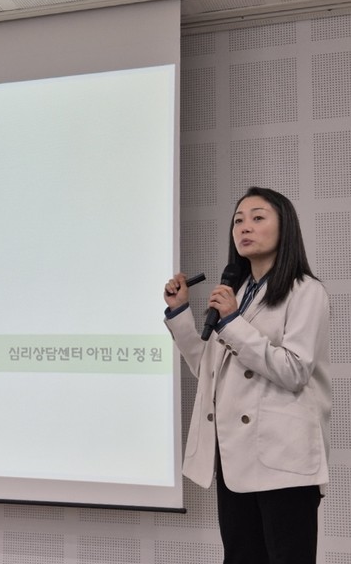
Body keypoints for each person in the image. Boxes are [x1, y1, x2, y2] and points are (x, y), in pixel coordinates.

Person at [163, 187, 331, 564]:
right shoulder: (239, 294)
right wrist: (180, 314)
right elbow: (210, 371)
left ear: (285, 227)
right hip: (234, 460)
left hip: (284, 462)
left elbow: (294, 370)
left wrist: (233, 321)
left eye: (258, 218)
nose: (244, 227)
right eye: (238, 220)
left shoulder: (306, 291)